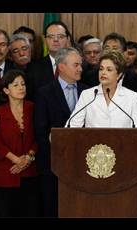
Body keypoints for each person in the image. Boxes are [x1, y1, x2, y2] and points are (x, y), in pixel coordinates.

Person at [34, 47, 88, 217]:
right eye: (76, 64)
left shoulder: (89, 92)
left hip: (82, 163)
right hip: (53, 164)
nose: (80, 68)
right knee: (53, 208)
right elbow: (40, 130)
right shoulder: (44, 93)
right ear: (62, 67)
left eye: (81, 64)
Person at [0, 69, 38, 217]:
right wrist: (16, 159)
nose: (21, 87)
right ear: (6, 90)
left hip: (29, 171)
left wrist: (28, 158)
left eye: (23, 84)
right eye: (16, 85)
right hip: (4, 172)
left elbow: (39, 136)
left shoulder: (33, 107)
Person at [67, 50, 137, 128]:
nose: (103, 72)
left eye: (109, 69)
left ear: (119, 75)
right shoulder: (87, 95)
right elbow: (73, 125)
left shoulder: (131, 97)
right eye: (101, 69)